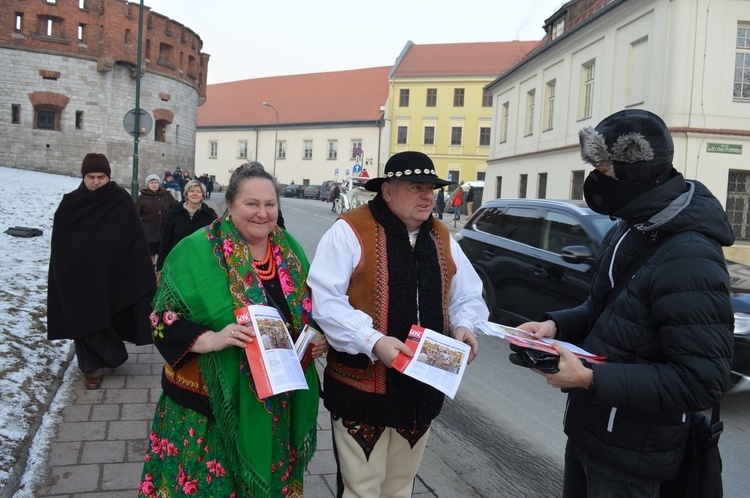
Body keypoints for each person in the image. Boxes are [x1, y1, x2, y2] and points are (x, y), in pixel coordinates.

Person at [517, 109, 734, 497]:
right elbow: (605, 313)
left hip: (633, 459)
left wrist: (590, 378)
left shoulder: (690, 255)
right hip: (591, 432)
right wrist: (556, 326)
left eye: (604, 169)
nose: (596, 180)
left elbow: (701, 381)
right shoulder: (629, 228)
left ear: (637, 171)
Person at [307, 151, 488, 498]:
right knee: (362, 489)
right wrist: (373, 340)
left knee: (400, 488)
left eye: (432, 189)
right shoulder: (350, 230)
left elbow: (466, 294)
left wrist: (464, 326)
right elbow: (325, 302)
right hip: (363, 388)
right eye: (416, 187)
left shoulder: (441, 235)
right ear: (387, 190)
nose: (427, 196)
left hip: (420, 390)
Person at [139, 166, 327, 497]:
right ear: (229, 204)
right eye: (251, 204)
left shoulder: (289, 250)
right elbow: (159, 318)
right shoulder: (195, 250)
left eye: (270, 204)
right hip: (210, 410)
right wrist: (210, 339)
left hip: (273, 405)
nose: (262, 213)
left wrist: (314, 336)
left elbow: (310, 308)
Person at [47, 153, 156, 390]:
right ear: (83, 177)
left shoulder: (120, 200)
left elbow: (133, 237)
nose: (96, 181)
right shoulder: (71, 203)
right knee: (83, 318)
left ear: (108, 176)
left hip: (111, 273)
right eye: (90, 177)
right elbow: (61, 241)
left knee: (108, 314)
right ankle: (91, 368)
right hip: (79, 276)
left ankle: (109, 356)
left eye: (101, 177)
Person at [155, 179, 218, 278]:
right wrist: (160, 267)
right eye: (192, 191)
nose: (195, 194)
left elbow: (214, 243)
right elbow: (165, 241)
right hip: (176, 263)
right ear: (186, 194)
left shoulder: (210, 216)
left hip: (199, 266)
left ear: (203, 195)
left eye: (198, 192)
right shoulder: (173, 214)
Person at [137, 174, 178, 266]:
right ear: (148, 184)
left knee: (163, 254)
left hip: (164, 231)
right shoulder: (142, 197)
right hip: (149, 232)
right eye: (151, 182)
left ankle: (161, 274)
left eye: (156, 182)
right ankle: (151, 274)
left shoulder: (166, 194)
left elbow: (175, 205)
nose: (154, 184)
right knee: (150, 255)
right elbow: (136, 213)